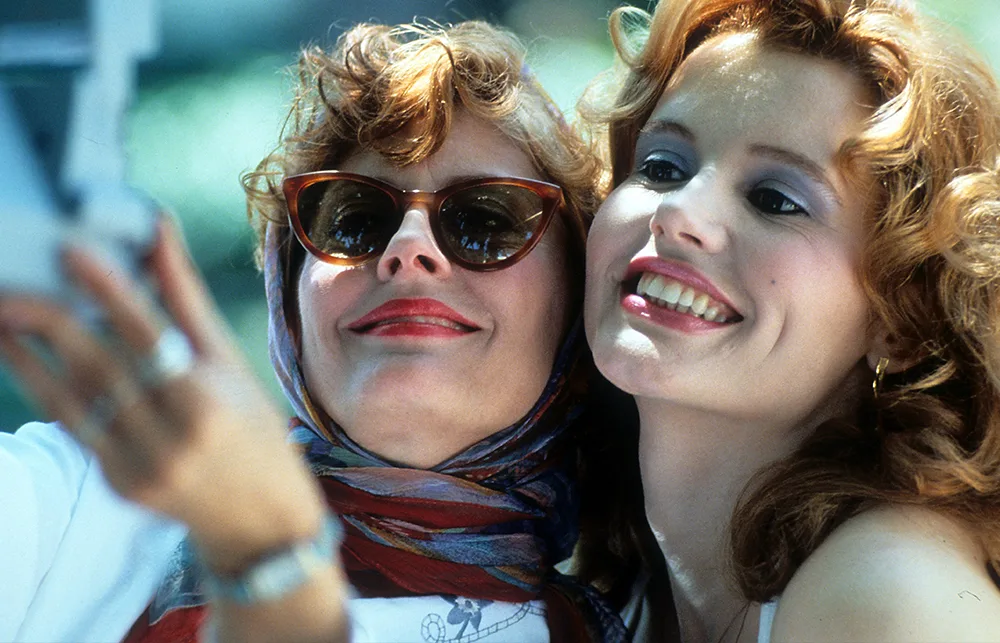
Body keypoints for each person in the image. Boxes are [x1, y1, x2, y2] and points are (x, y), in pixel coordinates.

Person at [0, 20, 629, 643]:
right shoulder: (96, 490)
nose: (408, 248)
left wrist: (266, 558)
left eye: (487, 220)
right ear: (290, 308)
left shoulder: (624, 631)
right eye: (355, 217)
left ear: (576, 307)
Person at [582, 0, 1000, 641]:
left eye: (775, 199)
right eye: (663, 166)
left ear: (904, 321)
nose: (678, 212)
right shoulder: (627, 588)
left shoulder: (888, 592)